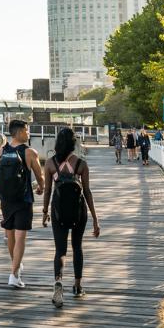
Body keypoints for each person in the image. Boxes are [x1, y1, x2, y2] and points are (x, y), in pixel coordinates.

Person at [42, 127, 100, 307]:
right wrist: (95, 220)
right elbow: (88, 192)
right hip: (78, 211)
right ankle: (77, 286)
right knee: (77, 247)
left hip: (58, 211)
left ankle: (58, 281)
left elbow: (48, 190)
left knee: (60, 250)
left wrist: (44, 212)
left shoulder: (50, 163)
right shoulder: (81, 164)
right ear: (74, 143)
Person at [0, 119, 44, 288]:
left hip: (6, 200)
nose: (29, 133)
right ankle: (14, 274)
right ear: (18, 132)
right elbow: (40, 176)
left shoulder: (1, 151)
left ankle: (15, 267)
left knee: (10, 234)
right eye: (27, 130)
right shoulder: (30, 152)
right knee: (20, 238)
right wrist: (42, 187)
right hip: (23, 200)